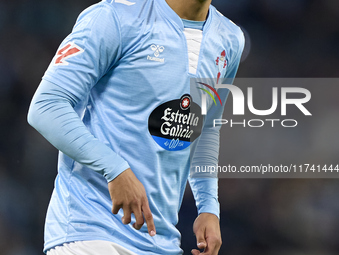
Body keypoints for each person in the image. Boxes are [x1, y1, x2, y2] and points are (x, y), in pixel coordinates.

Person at [27, 0, 244, 254]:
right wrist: (115, 168)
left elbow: (205, 130)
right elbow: (47, 105)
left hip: (160, 241)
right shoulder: (115, 16)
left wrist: (208, 208)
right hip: (91, 232)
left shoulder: (229, 38)